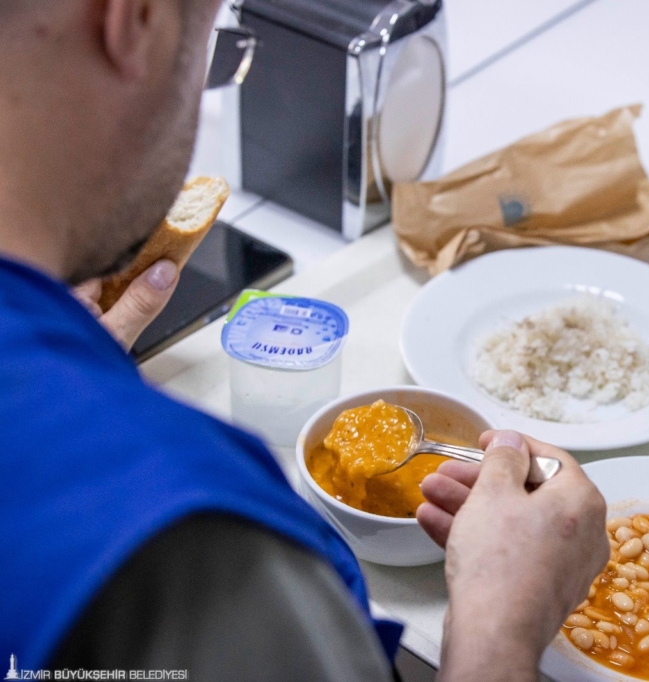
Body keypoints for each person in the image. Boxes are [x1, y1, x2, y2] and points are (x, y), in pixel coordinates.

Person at [0, 1, 610, 680]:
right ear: (134, 19)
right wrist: (501, 624)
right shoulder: (194, 545)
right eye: (212, 44)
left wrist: (62, 376)